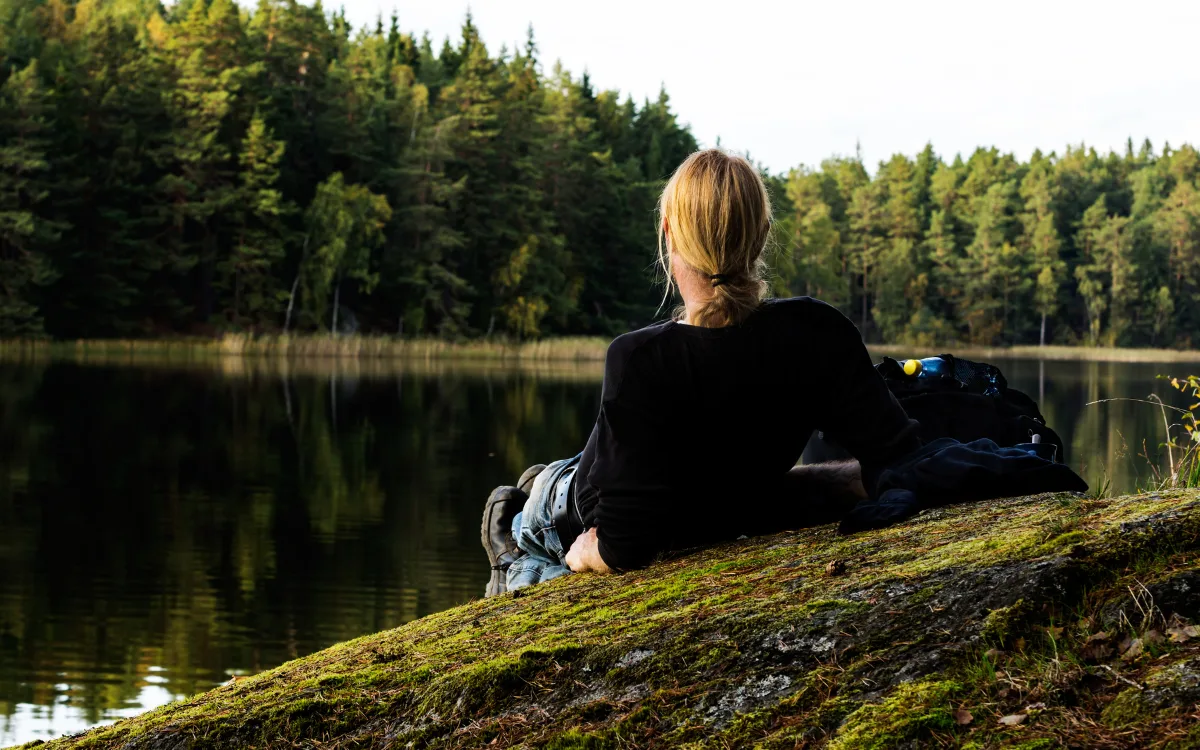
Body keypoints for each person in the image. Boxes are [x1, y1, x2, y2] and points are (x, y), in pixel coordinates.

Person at [481, 149, 922, 597]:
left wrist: (590, 554)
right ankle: (537, 486)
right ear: (763, 234)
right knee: (564, 474)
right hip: (684, 490)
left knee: (531, 531)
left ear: (669, 232)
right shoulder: (819, 330)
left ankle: (514, 551)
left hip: (575, 508)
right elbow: (898, 454)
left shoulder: (639, 357)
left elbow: (624, 544)